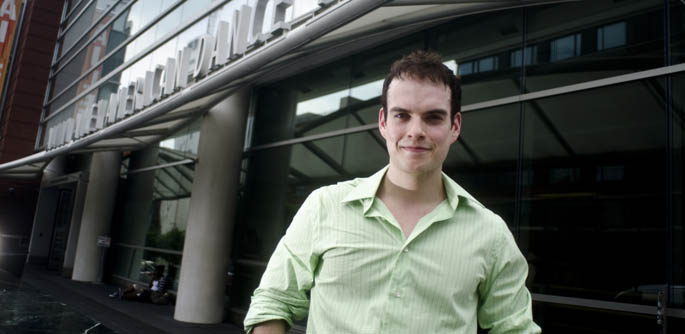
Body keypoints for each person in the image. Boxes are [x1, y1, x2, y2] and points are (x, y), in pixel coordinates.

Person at [244, 50, 541, 334]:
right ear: (384, 122)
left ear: (455, 126)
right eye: (402, 116)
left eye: (433, 117)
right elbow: (273, 302)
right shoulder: (325, 206)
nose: (415, 131)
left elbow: (514, 328)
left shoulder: (490, 234)